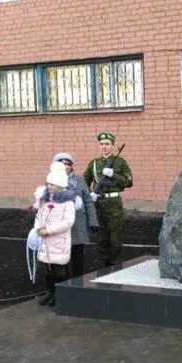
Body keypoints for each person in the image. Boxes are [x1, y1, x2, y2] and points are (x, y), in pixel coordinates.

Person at [83, 132, 133, 266]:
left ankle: (116, 266)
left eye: (107, 144)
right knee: (101, 239)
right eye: (102, 144)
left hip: (114, 205)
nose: (104, 147)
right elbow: (84, 182)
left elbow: (129, 182)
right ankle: (103, 266)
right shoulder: (94, 163)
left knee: (115, 238)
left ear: (112, 146)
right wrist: (90, 195)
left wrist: (114, 175)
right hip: (98, 204)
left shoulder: (120, 162)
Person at [33, 162, 76, 307]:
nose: (49, 187)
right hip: (45, 240)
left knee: (59, 268)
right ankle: (50, 291)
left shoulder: (68, 202)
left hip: (58, 240)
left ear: (60, 186)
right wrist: (38, 228)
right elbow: (38, 215)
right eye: (49, 184)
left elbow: (68, 222)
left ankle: (60, 293)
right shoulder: (44, 200)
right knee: (47, 268)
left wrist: (49, 230)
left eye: (53, 184)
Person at [52, 152, 98, 278]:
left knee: (77, 254)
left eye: (68, 164)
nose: (66, 166)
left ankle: (77, 280)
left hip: (78, 223)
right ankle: (62, 282)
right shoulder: (51, 181)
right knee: (61, 255)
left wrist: (93, 222)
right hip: (59, 223)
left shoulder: (80, 180)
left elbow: (88, 201)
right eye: (62, 163)